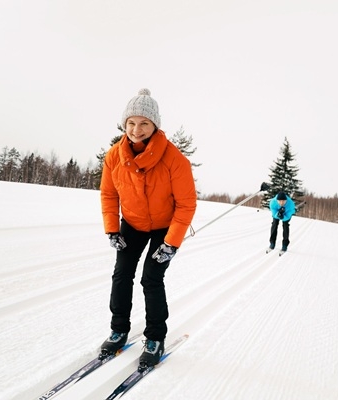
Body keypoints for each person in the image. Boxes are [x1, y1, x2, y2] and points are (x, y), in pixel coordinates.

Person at [99, 88, 197, 368]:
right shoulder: (114, 156)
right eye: (131, 123)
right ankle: (118, 331)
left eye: (144, 123)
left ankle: (155, 337)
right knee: (121, 275)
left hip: (164, 228)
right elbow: (108, 194)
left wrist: (171, 243)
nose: (136, 129)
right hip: (132, 223)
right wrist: (112, 230)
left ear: (155, 125)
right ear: (124, 124)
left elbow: (186, 204)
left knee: (151, 279)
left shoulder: (174, 160)